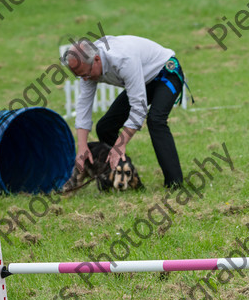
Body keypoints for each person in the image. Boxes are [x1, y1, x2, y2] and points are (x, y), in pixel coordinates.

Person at [64, 35, 189, 188]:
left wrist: (120, 144)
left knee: (156, 120)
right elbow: (84, 106)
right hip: (143, 80)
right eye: (79, 76)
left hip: (166, 73)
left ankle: (174, 183)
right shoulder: (86, 67)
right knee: (105, 127)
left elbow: (139, 108)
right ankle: (128, 175)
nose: (84, 79)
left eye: (85, 75)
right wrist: (82, 147)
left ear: (96, 60)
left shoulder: (122, 59)